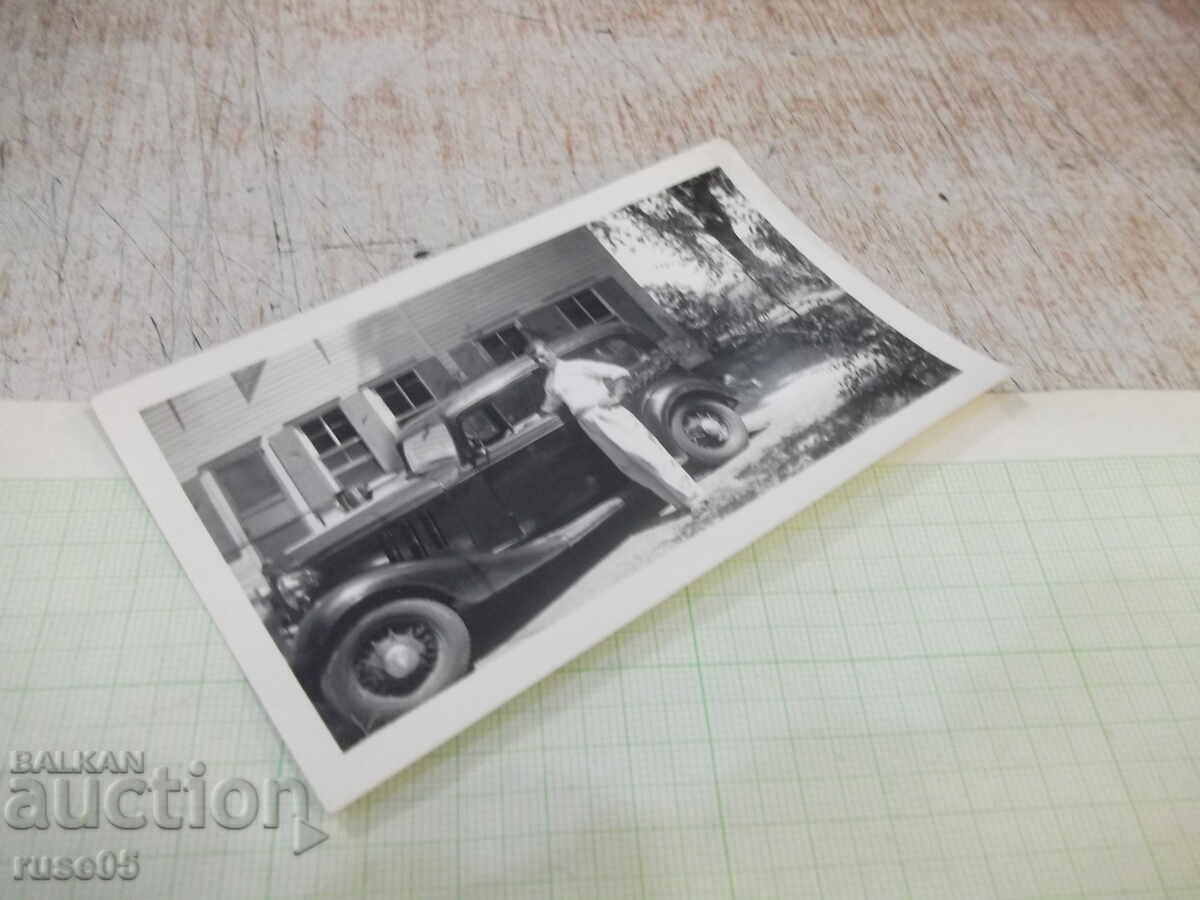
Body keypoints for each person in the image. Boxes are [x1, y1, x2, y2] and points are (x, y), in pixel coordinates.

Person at [528, 339, 700, 516]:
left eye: (542, 355)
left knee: (647, 454)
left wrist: (617, 396)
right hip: (588, 422)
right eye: (537, 360)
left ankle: (693, 498)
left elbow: (618, 373)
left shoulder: (577, 366)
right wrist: (526, 424)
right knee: (627, 465)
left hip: (607, 413)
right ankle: (677, 502)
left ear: (550, 351)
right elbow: (547, 408)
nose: (541, 361)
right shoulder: (550, 383)